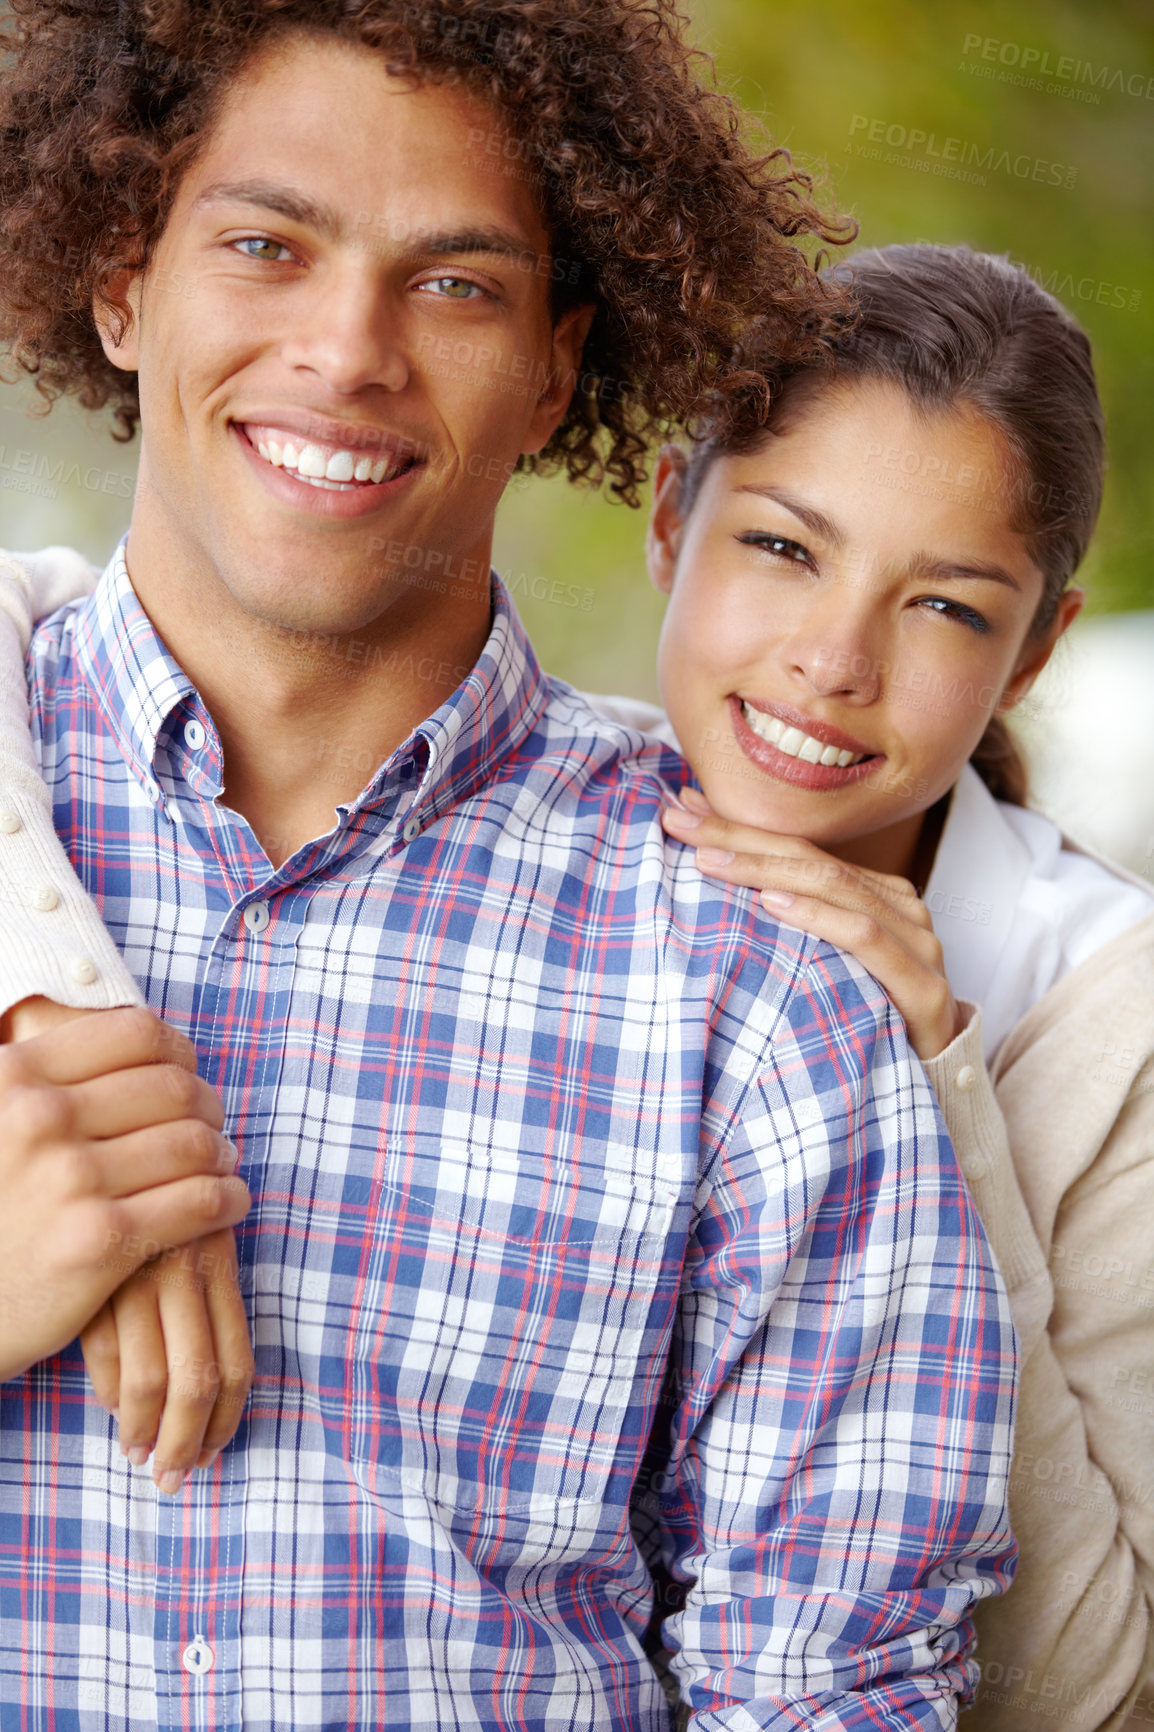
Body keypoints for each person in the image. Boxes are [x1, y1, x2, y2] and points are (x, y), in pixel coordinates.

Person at [0, 6, 1015, 1729]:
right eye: (263, 246)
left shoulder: (754, 987)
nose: (347, 351)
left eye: (455, 284)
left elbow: (833, 1690)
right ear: (124, 287)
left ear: (558, 364)